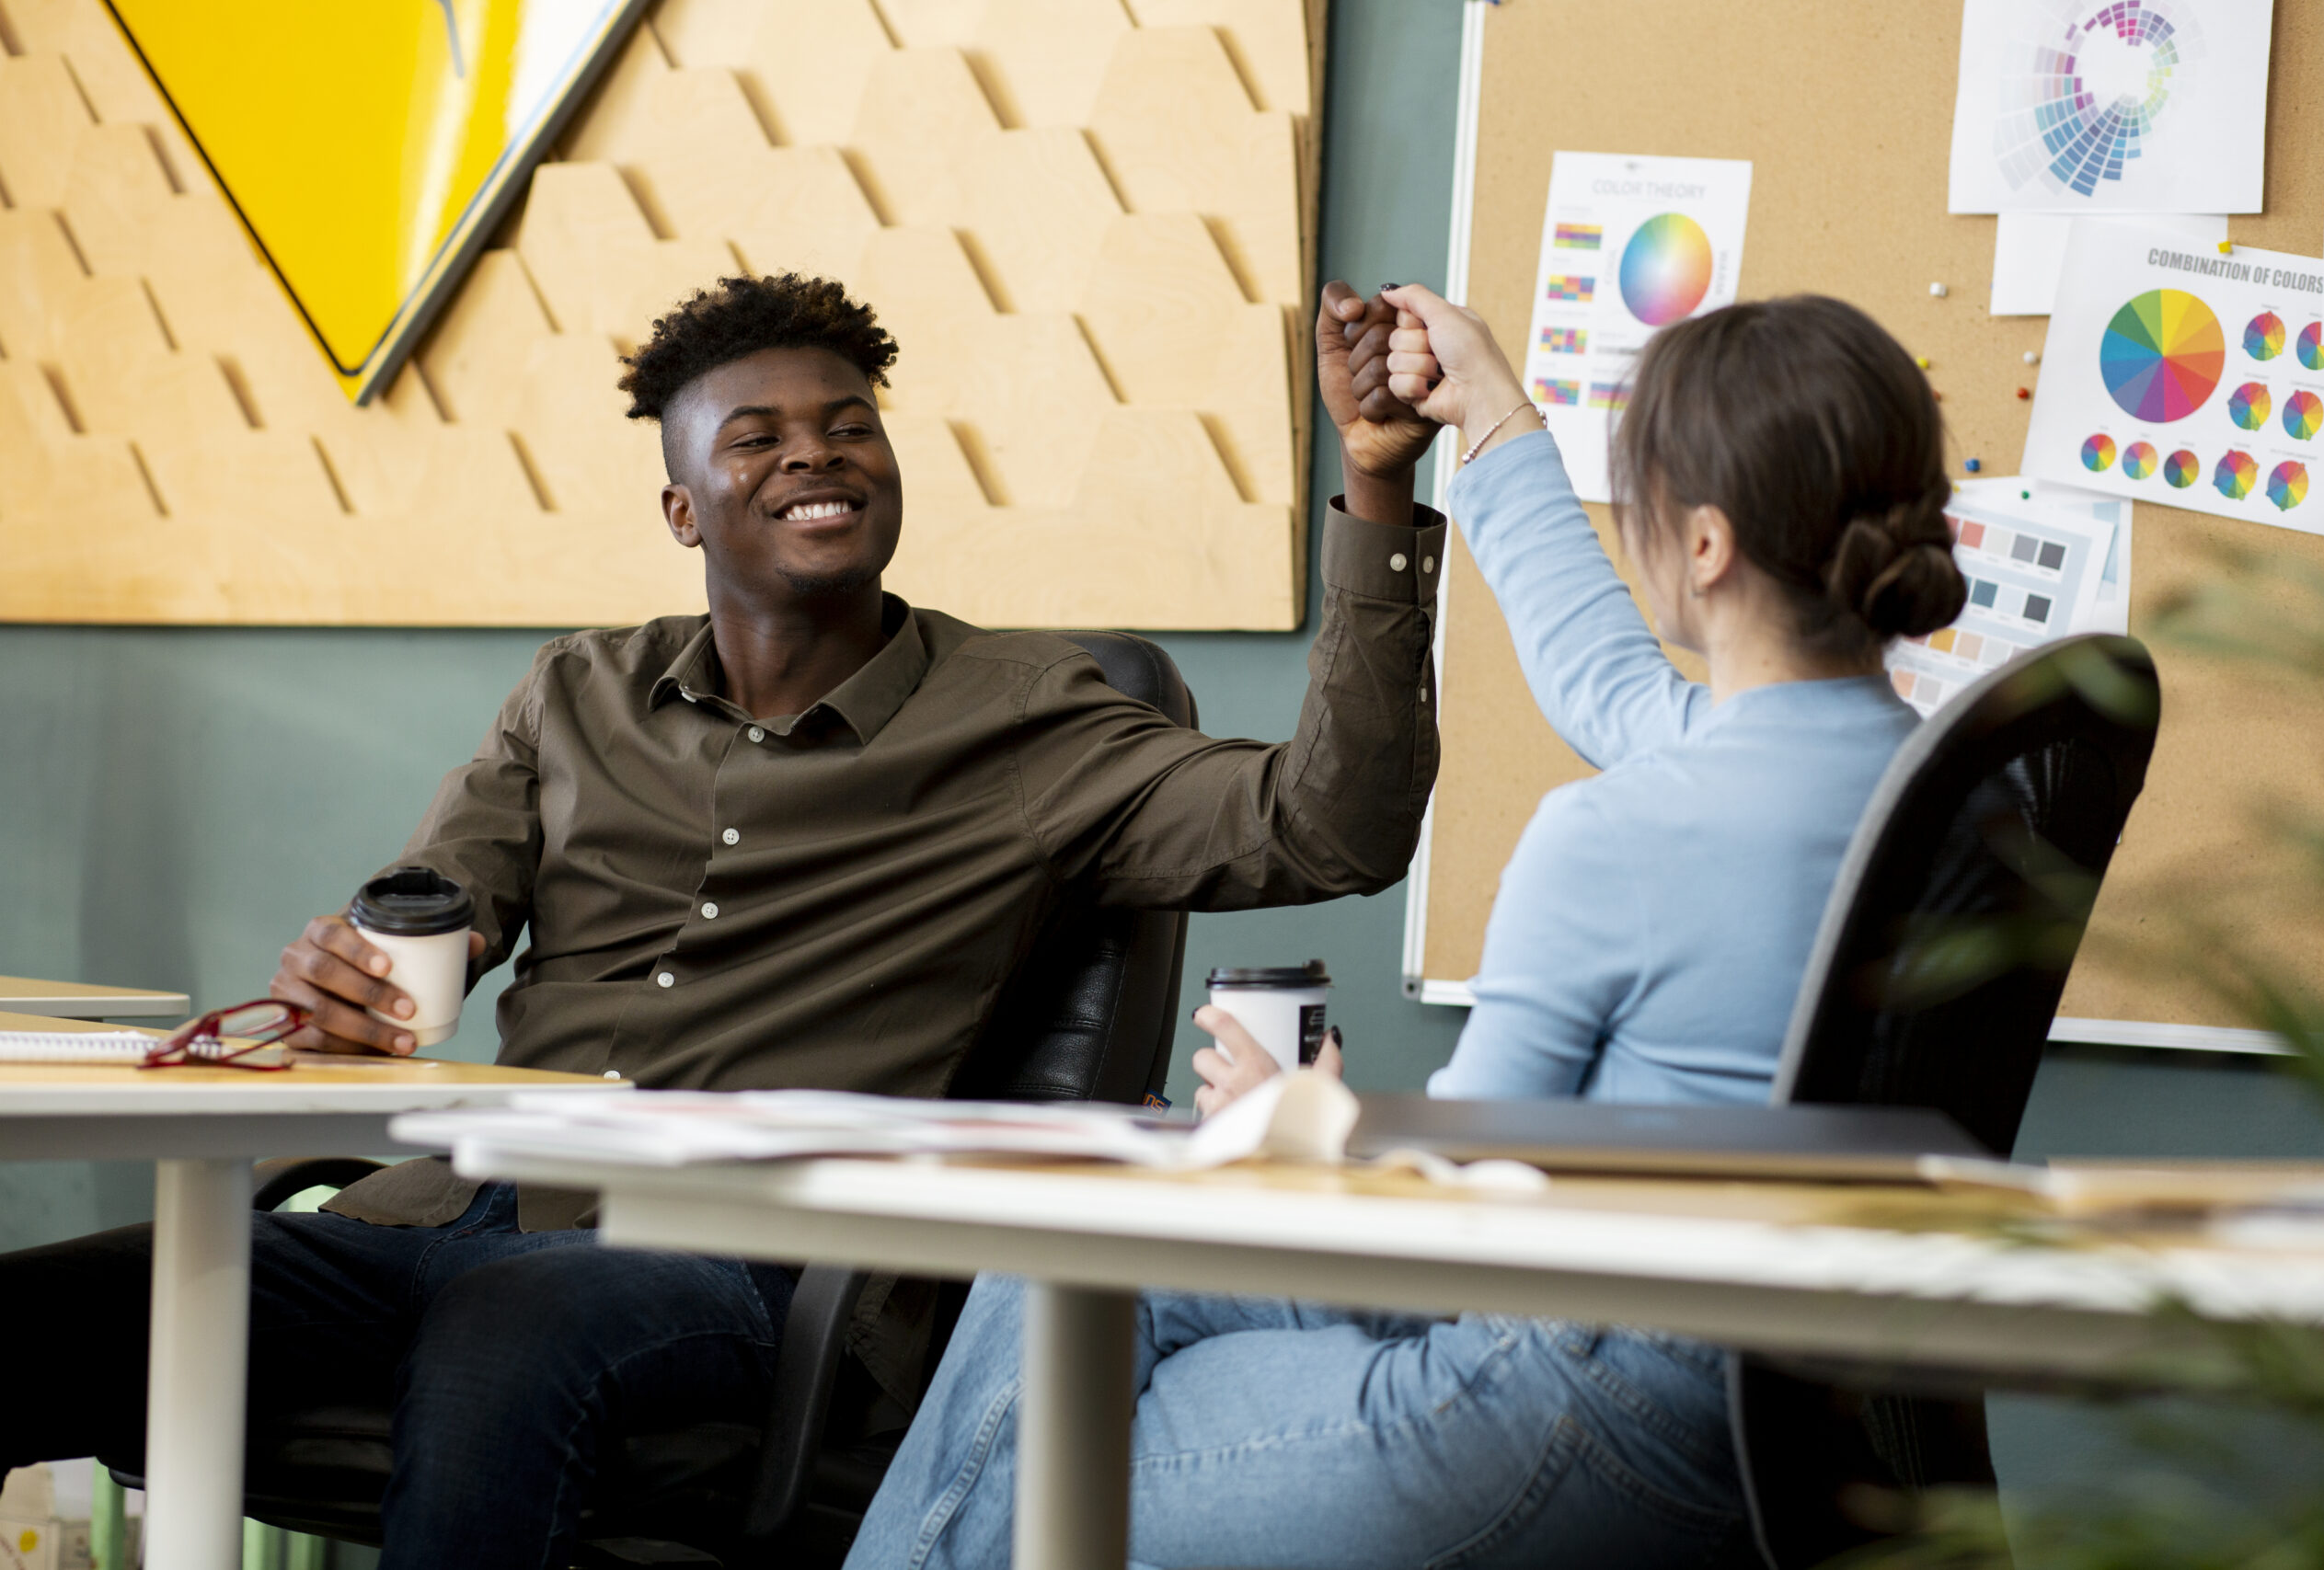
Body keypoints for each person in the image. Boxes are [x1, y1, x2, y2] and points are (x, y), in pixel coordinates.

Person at [0, 273, 1447, 1570]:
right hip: (447, 1212)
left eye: (850, 424)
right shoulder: (580, 695)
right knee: (41, 1312)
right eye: (754, 436)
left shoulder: (1031, 723)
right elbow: (432, 913)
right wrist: (352, 977)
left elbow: (1330, 822)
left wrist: (1376, 493)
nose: (814, 450)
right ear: (684, 508)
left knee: (509, 1337)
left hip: (745, 1261)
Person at [842, 287, 1969, 1570]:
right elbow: (1600, 680)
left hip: (1570, 1402)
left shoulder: (1621, 836)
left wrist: (1304, 1133)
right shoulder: (1941, 788)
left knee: (1041, 1443)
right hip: (1796, 1413)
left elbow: (1444, 1254)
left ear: (1702, 547)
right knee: (1089, 1239)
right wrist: (1487, 406)